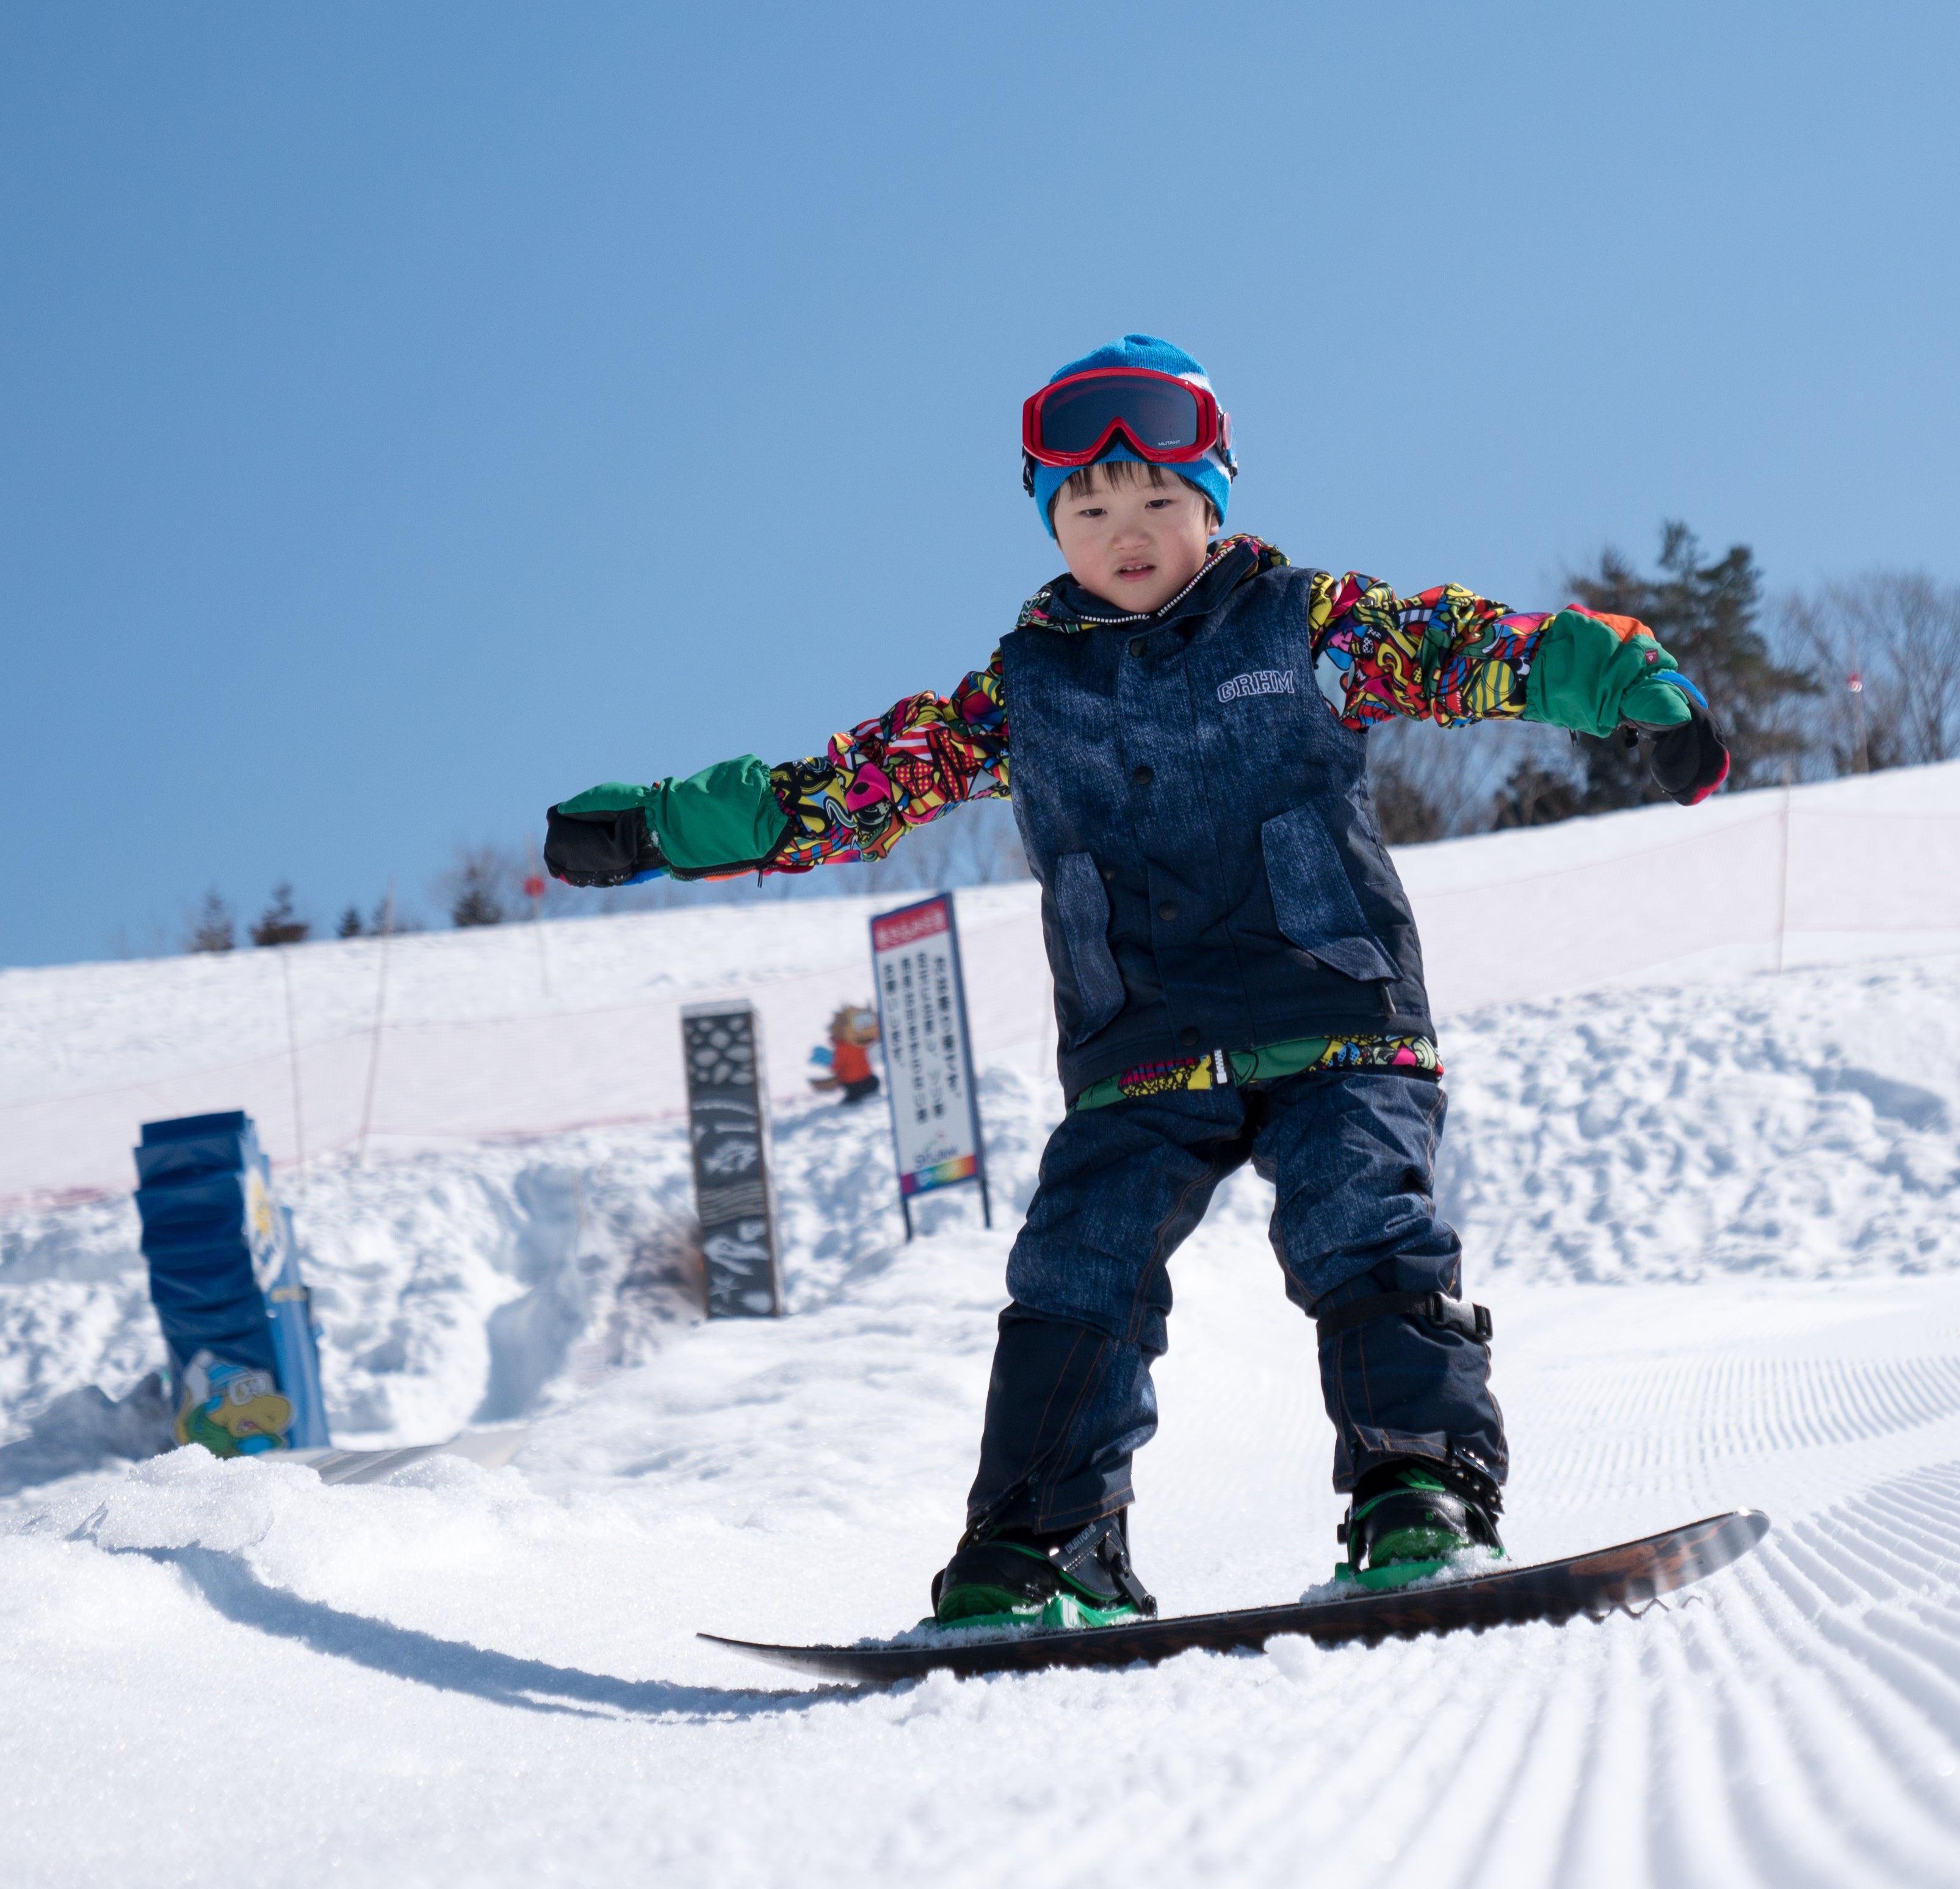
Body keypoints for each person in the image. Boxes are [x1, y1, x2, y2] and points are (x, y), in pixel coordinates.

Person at [541, 334, 1730, 1629]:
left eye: (1159, 499)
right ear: (1051, 524)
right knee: (1077, 1268)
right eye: (1089, 509)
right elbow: (845, 790)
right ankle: (1041, 1542)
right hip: (1141, 1044)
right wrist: (658, 826)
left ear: (1213, 501)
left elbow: (1479, 648)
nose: (1126, 532)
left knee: (1362, 1227)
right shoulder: (1022, 693)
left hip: (1332, 1011)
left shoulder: (1312, 625)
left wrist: (1634, 687)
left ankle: (1418, 1488)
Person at [809, 1006, 881, 1105]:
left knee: (865, 1087)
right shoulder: (854, 1045)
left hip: (857, 1080)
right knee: (869, 1085)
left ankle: (855, 1098)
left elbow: (837, 1065)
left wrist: (829, 1062)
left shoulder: (847, 1047)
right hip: (861, 1079)